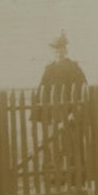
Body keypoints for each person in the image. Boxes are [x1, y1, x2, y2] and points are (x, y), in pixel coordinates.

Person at [32, 32, 87, 186]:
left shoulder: (74, 67)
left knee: (72, 145)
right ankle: (56, 177)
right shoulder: (49, 69)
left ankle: (76, 176)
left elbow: (82, 92)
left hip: (70, 115)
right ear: (51, 50)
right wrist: (44, 117)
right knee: (54, 146)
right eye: (55, 48)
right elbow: (42, 93)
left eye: (61, 48)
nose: (58, 51)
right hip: (53, 115)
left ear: (65, 49)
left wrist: (73, 112)